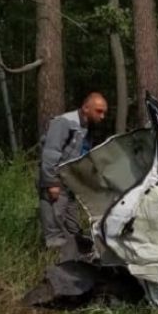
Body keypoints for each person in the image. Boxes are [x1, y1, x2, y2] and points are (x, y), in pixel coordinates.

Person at [38, 93, 109, 250]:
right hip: (56, 181)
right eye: (99, 111)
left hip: (69, 184)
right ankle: (54, 264)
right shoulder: (64, 123)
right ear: (85, 108)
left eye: (104, 112)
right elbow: (50, 153)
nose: (102, 116)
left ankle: (77, 258)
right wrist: (51, 183)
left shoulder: (87, 128)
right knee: (54, 229)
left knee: (73, 228)